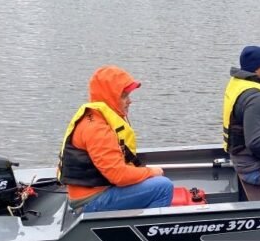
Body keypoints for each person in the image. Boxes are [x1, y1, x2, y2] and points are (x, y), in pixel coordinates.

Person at [58, 65, 174, 213]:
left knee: (149, 179)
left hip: (94, 191)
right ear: (109, 97)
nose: (129, 101)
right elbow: (118, 176)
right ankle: (147, 226)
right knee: (163, 187)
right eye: (124, 96)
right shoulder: (97, 129)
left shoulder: (96, 118)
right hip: (89, 200)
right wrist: (151, 172)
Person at [222, 45, 260, 186]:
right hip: (254, 169)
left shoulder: (239, 84)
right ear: (256, 69)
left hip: (243, 162)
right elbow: (255, 142)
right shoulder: (256, 98)